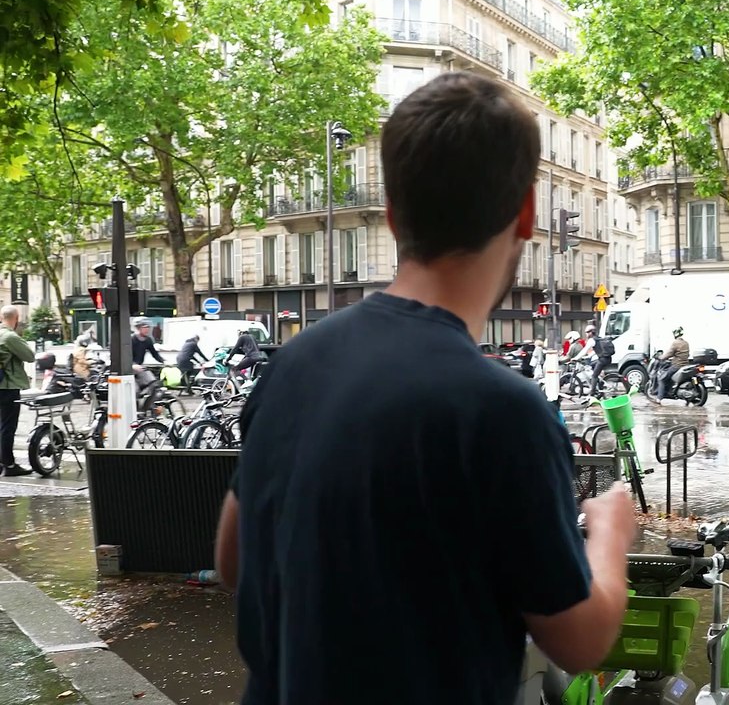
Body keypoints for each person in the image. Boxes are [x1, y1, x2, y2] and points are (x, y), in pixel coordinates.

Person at [214, 72, 635, 705]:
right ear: (524, 213)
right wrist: (610, 532)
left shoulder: (294, 362)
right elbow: (579, 641)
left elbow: (232, 562)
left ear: (392, 213)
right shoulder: (500, 410)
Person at [0, 305, 35, 476]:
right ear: (16, 318)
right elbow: (30, 356)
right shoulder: (10, 336)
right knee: (8, 427)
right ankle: (9, 465)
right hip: (8, 386)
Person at [131, 318, 165, 414]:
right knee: (135, 391)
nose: (147, 329)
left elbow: (154, 354)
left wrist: (164, 361)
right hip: (130, 368)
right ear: (138, 328)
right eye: (144, 327)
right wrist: (132, 365)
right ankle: (135, 412)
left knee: (154, 384)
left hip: (140, 368)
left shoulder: (148, 340)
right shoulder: (132, 339)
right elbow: (125, 355)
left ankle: (145, 409)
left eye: (148, 327)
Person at [650, 327, 690, 402]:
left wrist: (660, 357)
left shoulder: (675, 343)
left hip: (677, 366)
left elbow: (669, 354)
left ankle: (659, 398)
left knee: (662, 378)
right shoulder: (686, 343)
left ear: (675, 334)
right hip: (685, 365)